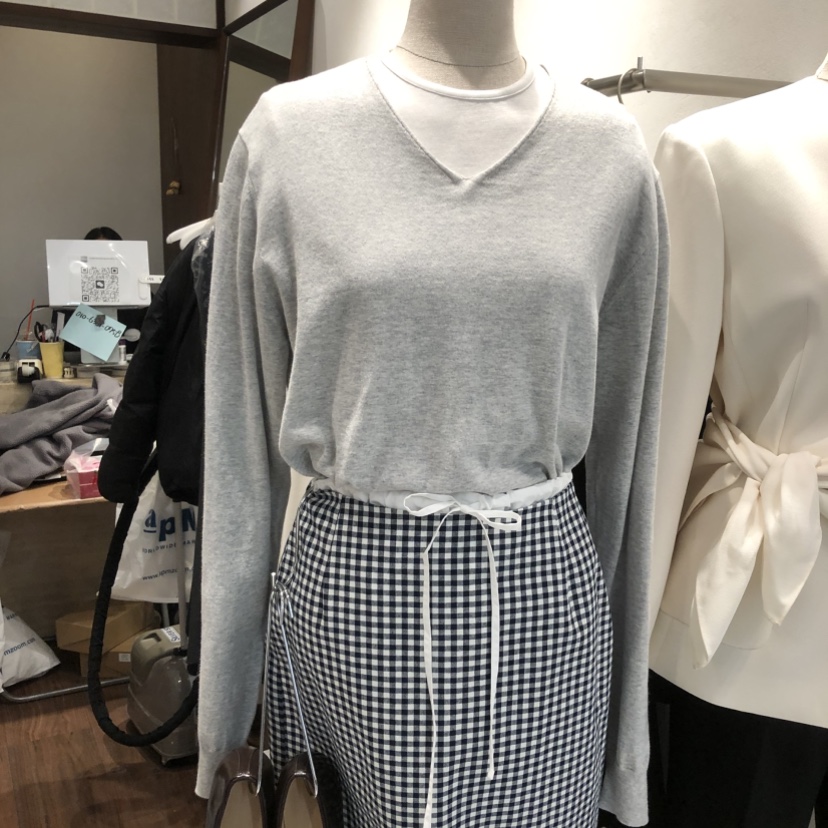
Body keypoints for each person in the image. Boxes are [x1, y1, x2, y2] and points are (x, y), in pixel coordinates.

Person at [196, 1, 668, 826]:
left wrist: (627, 751)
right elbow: (237, 453)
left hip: (543, 605)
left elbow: (630, 448)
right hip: (348, 600)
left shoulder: (610, 152)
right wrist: (223, 729)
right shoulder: (288, 134)